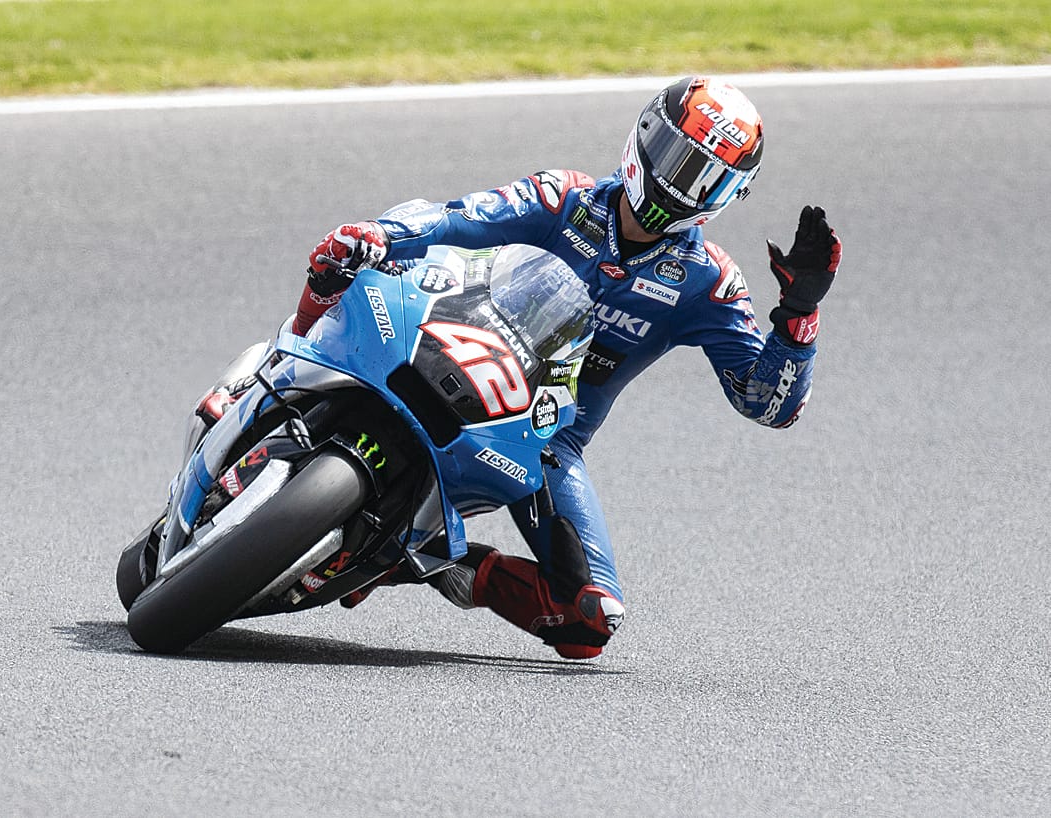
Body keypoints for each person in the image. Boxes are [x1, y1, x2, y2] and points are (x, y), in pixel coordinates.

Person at [288, 76, 842, 659]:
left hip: (541, 437)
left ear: (730, 196)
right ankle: (265, 377)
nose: (680, 187)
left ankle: (412, 561)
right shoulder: (563, 198)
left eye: (705, 179)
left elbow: (770, 406)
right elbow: (458, 219)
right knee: (348, 255)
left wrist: (799, 316)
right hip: (446, 347)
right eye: (678, 161)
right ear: (647, 138)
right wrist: (381, 236)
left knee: (589, 622)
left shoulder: (709, 283)